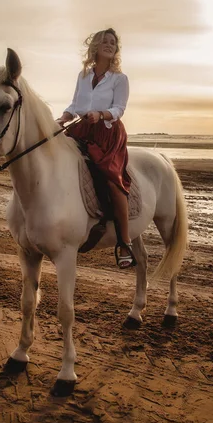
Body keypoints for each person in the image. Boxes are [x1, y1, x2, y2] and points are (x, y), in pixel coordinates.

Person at [57, 28, 136, 269]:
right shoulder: (82, 75)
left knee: (113, 180)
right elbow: (74, 103)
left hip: (107, 133)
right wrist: (63, 118)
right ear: (95, 46)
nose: (110, 45)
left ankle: (124, 242)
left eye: (113, 42)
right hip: (80, 128)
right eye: (105, 41)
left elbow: (119, 108)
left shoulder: (120, 79)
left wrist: (100, 114)